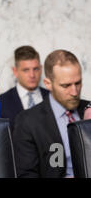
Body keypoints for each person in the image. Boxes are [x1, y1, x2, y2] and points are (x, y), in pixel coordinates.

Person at [12, 50, 89, 178]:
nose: (74, 92)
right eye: (66, 86)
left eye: (78, 83)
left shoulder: (88, 110)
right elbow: (26, 174)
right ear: (48, 84)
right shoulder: (27, 122)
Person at [0, 46, 49, 130]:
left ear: (41, 69)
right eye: (26, 70)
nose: (32, 75)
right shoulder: (2, 102)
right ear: (15, 71)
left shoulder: (52, 97)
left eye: (36, 69)